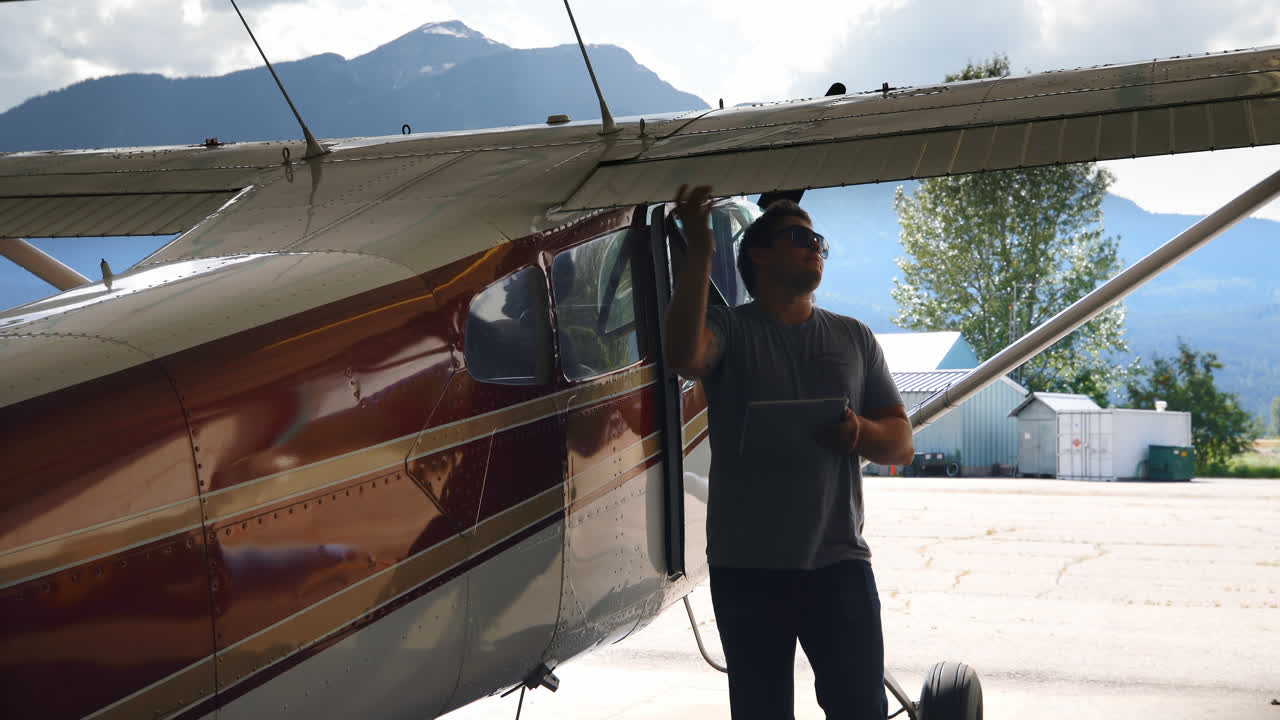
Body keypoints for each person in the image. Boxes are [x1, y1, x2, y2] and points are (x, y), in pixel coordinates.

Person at [664, 184, 915, 720]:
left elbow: (901, 441)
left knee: (859, 710)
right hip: (747, 570)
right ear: (757, 254)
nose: (815, 246)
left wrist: (859, 434)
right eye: (800, 237)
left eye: (818, 239)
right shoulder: (729, 329)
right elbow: (685, 355)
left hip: (839, 565)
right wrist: (701, 250)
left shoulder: (856, 337)